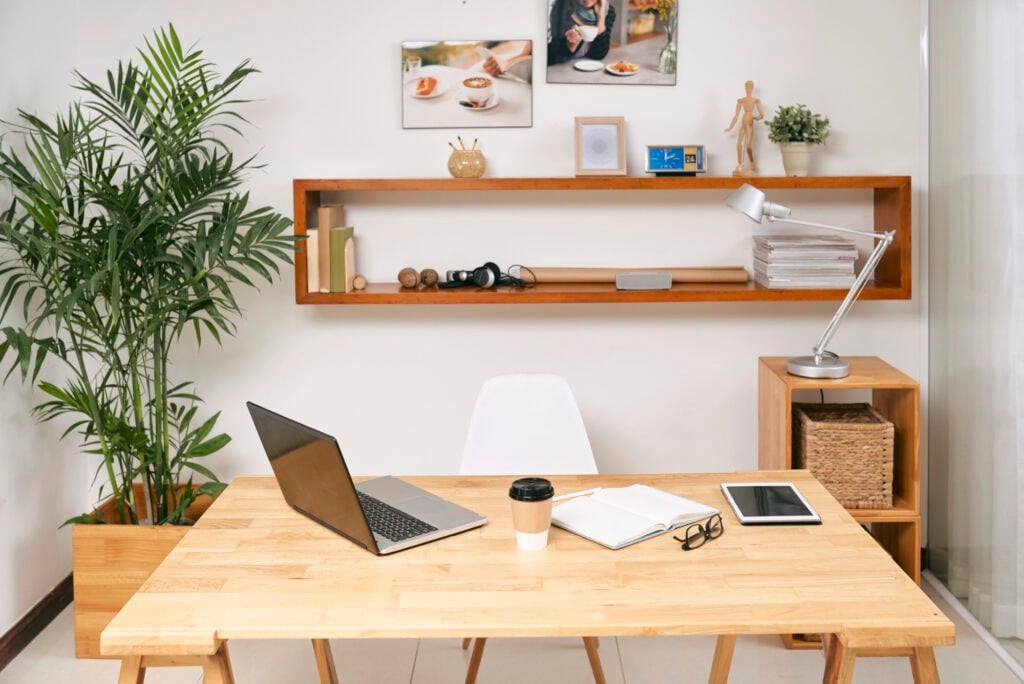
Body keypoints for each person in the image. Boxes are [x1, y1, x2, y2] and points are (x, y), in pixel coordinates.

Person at [547, 0, 617, 66]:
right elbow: (549, 55)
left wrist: (601, 18)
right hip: (562, 68)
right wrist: (569, 47)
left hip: (588, 69)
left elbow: (598, 54)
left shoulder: (607, 12)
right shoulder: (561, 6)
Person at [724, 80, 765, 176]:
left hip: (750, 122)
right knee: (739, 143)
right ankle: (740, 164)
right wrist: (730, 127)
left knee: (748, 145)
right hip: (743, 122)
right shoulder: (741, 100)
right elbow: (736, 115)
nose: (748, 89)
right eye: (747, 87)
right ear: (745, 88)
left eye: (750, 87)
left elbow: (762, 114)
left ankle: (751, 161)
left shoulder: (756, 100)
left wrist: (757, 117)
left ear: (752, 88)